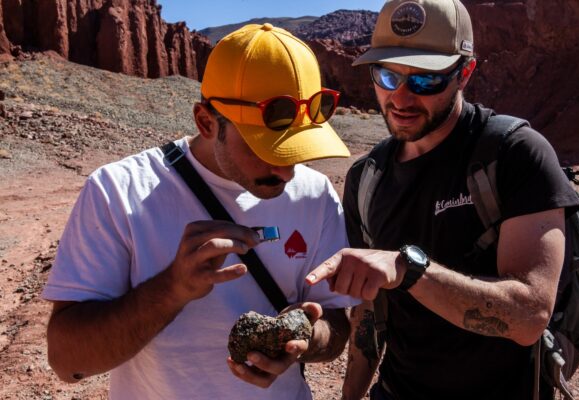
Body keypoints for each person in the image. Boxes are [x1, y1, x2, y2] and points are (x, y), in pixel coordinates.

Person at [43, 23, 358, 400]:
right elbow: (66, 360)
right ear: (206, 122)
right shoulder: (117, 192)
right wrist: (172, 289)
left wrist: (306, 336)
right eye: (267, 149)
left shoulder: (315, 194)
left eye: (297, 149)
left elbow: (334, 322)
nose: (287, 172)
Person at [305, 1, 579, 399]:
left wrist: (409, 269)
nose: (399, 98)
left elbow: (529, 317)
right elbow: (367, 310)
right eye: (386, 76)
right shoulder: (367, 178)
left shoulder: (514, 155)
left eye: (424, 81)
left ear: (464, 73)